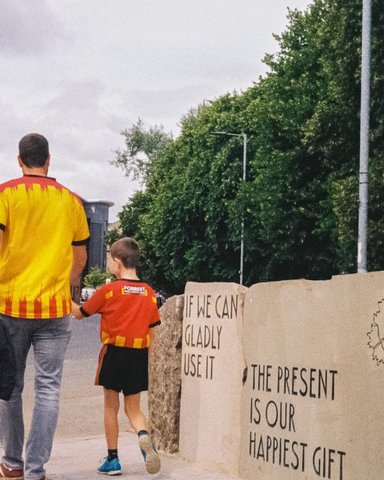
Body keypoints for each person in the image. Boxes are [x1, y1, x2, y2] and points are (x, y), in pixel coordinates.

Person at [0, 134, 90, 480]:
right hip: (54, 311)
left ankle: (12, 463)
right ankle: (36, 469)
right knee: (48, 388)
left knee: (9, 385)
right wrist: (66, 287)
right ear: (48, 161)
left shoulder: (6, 194)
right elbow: (79, 255)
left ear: (19, 160)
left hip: (10, 306)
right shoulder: (71, 201)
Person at [71, 237, 161, 476]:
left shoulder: (109, 290)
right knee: (134, 410)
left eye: (111, 259)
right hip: (138, 355)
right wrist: (149, 364)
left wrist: (63, 297)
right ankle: (143, 437)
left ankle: (112, 460)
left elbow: (80, 314)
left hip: (114, 354)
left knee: (111, 407)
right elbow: (153, 333)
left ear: (117, 262)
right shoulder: (149, 293)